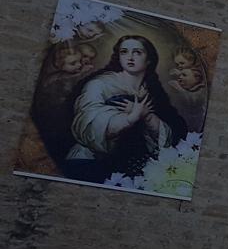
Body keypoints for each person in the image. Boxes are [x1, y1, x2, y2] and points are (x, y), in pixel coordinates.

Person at [64, 35, 187, 183]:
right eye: (124, 52)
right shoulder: (100, 84)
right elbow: (87, 123)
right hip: (90, 163)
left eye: (137, 52)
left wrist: (147, 116)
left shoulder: (153, 93)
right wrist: (130, 118)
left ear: (149, 60)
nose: (130, 57)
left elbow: (168, 141)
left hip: (130, 168)